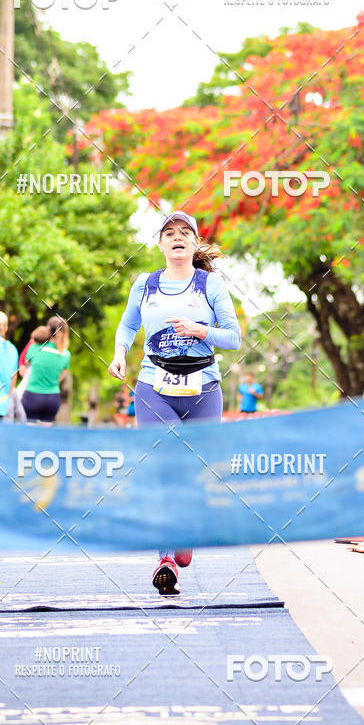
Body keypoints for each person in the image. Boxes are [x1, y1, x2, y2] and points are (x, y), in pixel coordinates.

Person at [108, 211, 241, 595]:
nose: (177, 237)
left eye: (185, 232)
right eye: (169, 232)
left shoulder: (210, 284)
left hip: (203, 389)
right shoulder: (145, 283)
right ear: (161, 243)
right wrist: (120, 354)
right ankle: (165, 557)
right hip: (153, 386)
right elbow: (128, 324)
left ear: (194, 242)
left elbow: (234, 337)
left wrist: (201, 330)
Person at [21, 317, 70, 424]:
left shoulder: (34, 348)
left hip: (33, 396)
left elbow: (25, 369)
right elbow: (60, 377)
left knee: (29, 432)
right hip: (53, 399)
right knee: (45, 433)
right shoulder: (66, 354)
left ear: (48, 329)